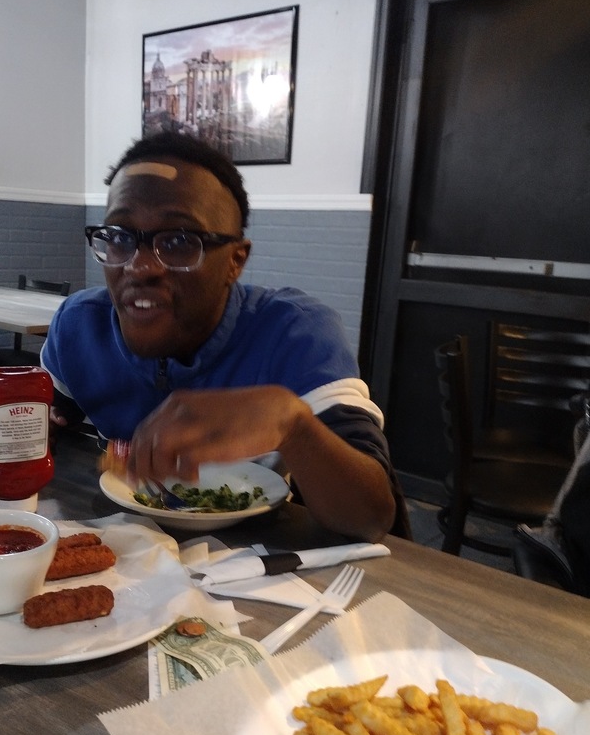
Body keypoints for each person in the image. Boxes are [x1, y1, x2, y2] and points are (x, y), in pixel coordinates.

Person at [42, 132, 405, 541]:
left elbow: (373, 516)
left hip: (258, 568)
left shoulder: (295, 333)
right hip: (122, 554)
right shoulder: (79, 326)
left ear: (236, 261)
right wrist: (37, 426)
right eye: (120, 237)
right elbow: (49, 415)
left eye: (179, 242)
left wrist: (291, 423)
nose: (140, 268)